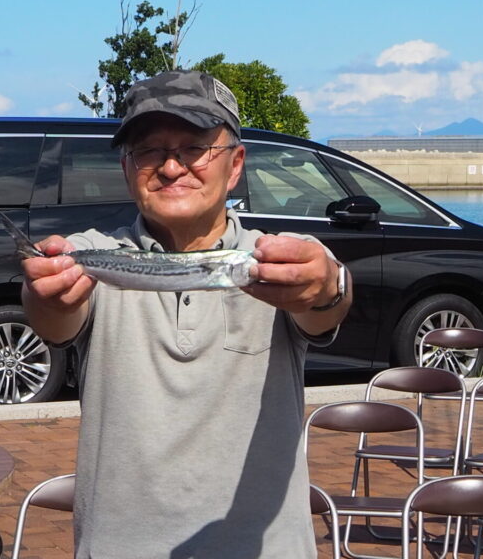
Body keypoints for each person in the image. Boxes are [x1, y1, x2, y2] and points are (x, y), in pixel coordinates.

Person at [21, 70, 352, 558]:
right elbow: (51, 318)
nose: (172, 167)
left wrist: (328, 286)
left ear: (235, 165)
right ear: (127, 167)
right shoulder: (92, 252)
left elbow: (327, 305)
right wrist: (45, 294)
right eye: (149, 151)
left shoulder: (277, 258)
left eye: (195, 148)